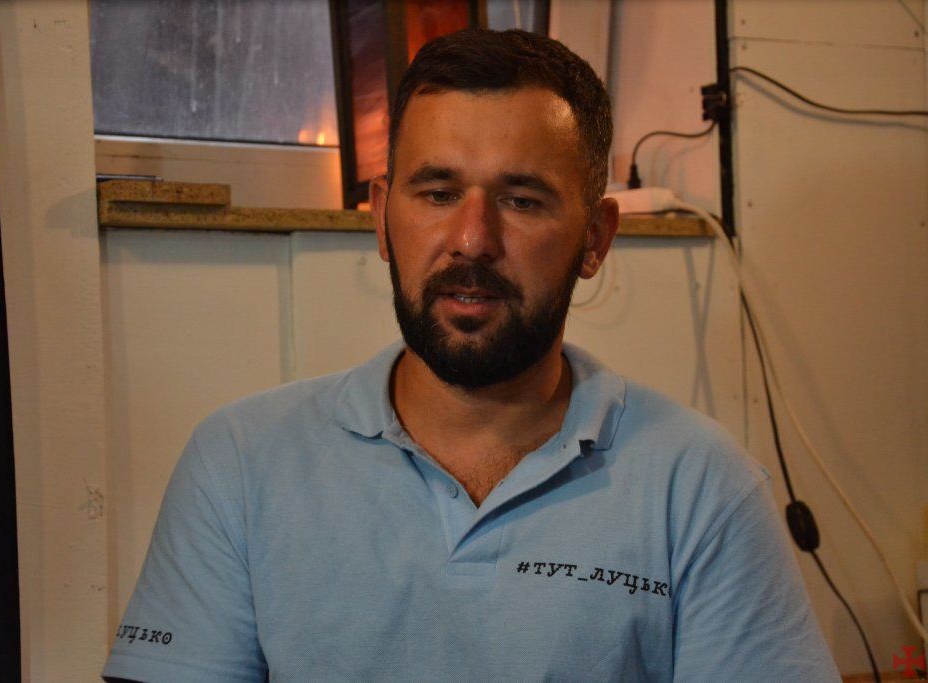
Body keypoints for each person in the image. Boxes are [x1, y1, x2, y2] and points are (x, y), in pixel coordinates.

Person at [103, 28, 838, 682]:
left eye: (522, 199)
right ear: (382, 219)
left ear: (594, 239)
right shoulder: (240, 462)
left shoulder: (700, 486)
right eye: (437, 192)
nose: (472, 239)